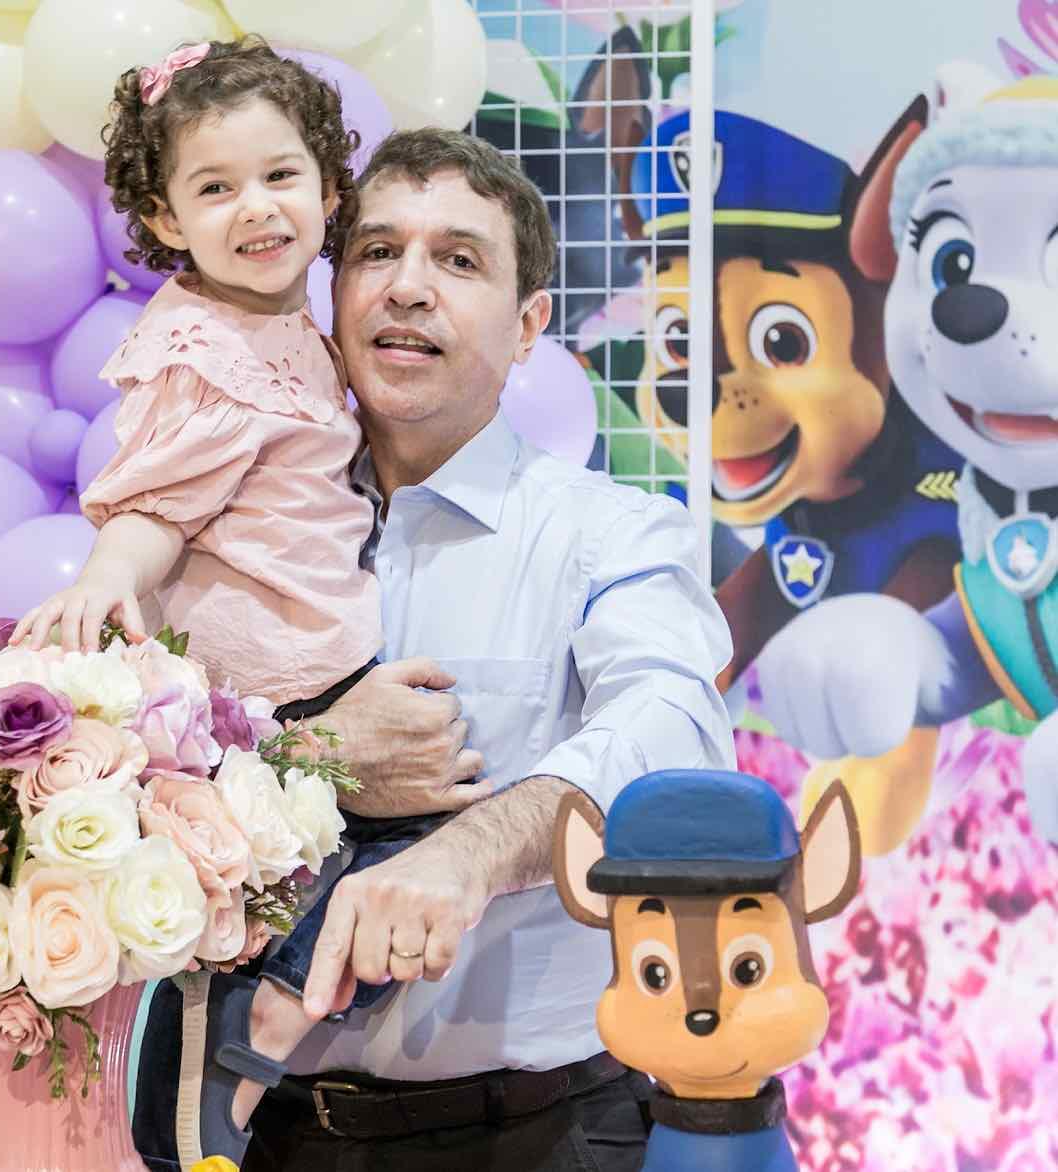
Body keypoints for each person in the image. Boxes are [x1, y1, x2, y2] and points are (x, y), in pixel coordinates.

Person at [178, 127, 736, 1172]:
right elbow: (134, 769)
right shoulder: (220, 533)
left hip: (543, 1133)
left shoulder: (610, 534)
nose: (407, 287)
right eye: (376, 252)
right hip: (267, 1135)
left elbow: (675, 734)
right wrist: (310, 756)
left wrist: (469, 852)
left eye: (459, 259)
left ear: (528, 326)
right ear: (330, 296)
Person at [8, 40, 490, 1169]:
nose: (257, 208)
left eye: (280, 176)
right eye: (215, 188)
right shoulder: (204, 352)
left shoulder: (285, 326)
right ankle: (221, 1053)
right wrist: (109, 573)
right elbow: (155, 505)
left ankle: (250, 1027)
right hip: (273, 684)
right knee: (284, 891)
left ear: (327, 186)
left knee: (384, 869)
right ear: (165, 219)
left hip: (317, 656)